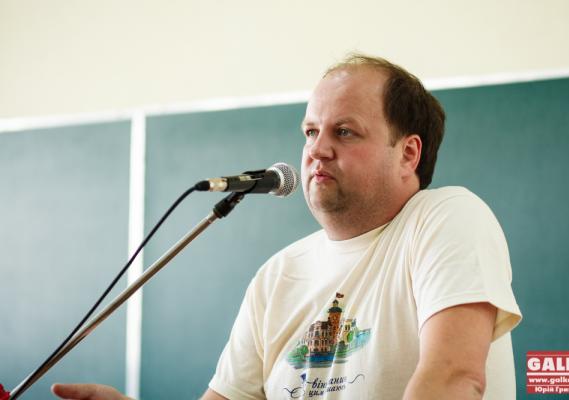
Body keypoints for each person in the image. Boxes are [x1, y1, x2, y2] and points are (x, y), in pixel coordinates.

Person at [52, 54, 522, 400]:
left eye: (344, 132)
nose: (316, 149)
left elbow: (454, 379)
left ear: (408, 154)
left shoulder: (446, 217)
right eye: (311, 131)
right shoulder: (278, 275)